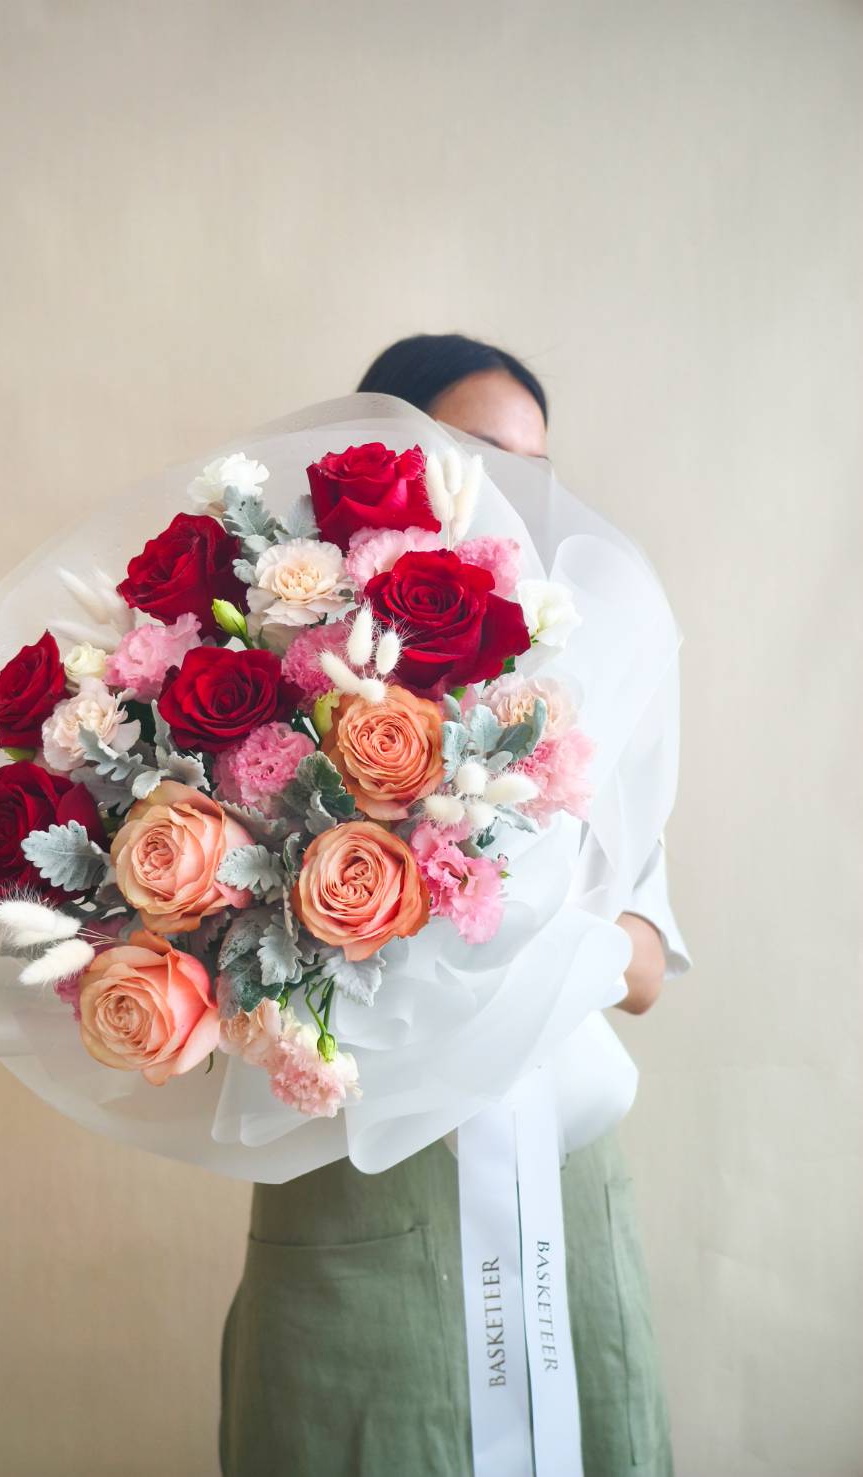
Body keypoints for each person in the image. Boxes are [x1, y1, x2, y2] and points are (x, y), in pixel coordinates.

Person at [219, 333, 691, 1477]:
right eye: (477, 454)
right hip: (362, 1203)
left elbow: (640, 970)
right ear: (383, 462)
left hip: (567, 1195)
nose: (512, 493)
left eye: (535, 466)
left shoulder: (574, 694)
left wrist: (520, 924)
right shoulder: (276, 700)